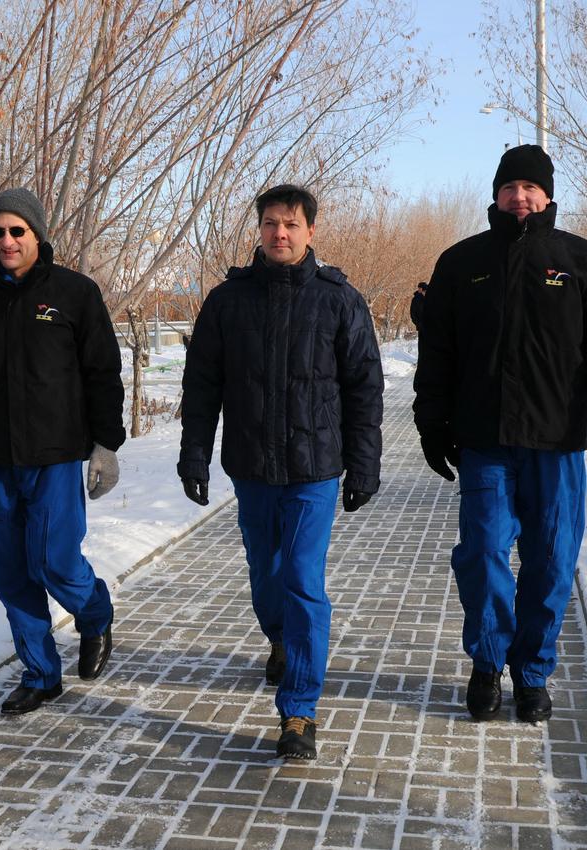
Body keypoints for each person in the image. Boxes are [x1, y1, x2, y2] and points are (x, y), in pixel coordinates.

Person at [413, 145, 587, 723]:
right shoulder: (461, 262)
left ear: (548, 196)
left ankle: (533, 672)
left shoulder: (584, 261)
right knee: (483, 553)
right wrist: (431, 421)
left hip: (557, 441)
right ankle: (488, 663)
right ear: (495, 194)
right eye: (510, 186)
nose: (520, 196)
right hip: (485, 441)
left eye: (530, 187)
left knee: (551, 561)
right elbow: (437, 350)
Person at [178, 184, 383, 760]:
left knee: (301, 579)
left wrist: (364, 464)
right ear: (260, 228)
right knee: (267, 578)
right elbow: (202, 385)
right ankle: (282, 640)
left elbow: (365, 387)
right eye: (271, 223)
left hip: (315, 469)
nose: (280, 234)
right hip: (252, 466)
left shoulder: (339, 300)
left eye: (291, 224)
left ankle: (299, 711)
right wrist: (194, 453)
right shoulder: (227, 301)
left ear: (311, 231)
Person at [0, 188, 125, 716]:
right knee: (11, 572)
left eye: (16, 231)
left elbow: (102, 375)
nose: (6, 241)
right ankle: (41, 674)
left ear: (37, 234)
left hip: (57, 457)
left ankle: (95, 615)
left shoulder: (74, 293)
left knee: (55, 562)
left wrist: (105, 446)